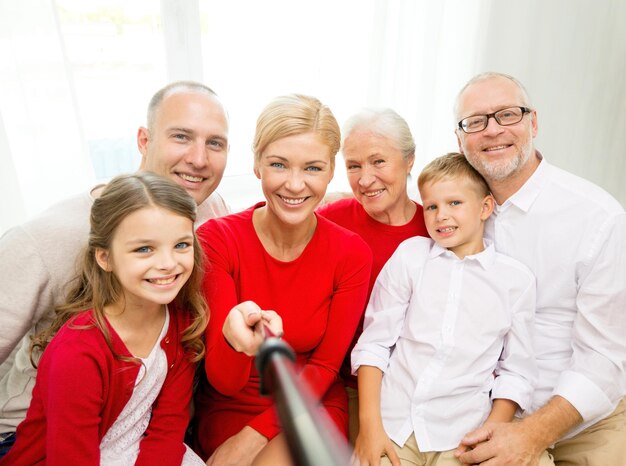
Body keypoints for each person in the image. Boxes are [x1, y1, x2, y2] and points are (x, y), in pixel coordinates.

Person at [0, 81, 230, 458]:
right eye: (181, 137)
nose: (199, 159)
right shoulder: (42, 239)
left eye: (215, 143)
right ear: (143, 140)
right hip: (45, 434)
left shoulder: (210, 209)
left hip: (143, 423)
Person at [453, 72, 626, 466]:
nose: (492, 130)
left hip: (583, 422)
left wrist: (531, 434)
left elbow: (605, 359)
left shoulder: (598, 218)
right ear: (459, 140)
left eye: (507, 115)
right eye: (475, 121)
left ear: (533, 123)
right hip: (482, 417)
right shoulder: (452, 211)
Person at [192, 94, 373, 466]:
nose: (294, 185)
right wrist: (237, 340)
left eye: (312, 168)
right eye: (279, 165)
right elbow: (224, 381)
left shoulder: (351, 253)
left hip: (313, 401)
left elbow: (324, 366)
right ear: (257, 165)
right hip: (231, 405)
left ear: (330, 170)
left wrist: (252, 437)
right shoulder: (218, 240)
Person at [351, 152, 552, 466]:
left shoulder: (515, 281)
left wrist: (491, 431)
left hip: (462, 435)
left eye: (454, 203)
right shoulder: (411, 257)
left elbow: (517, 371)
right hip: (394, 426)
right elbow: (374, 345)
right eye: (431, 206)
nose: (440, 215)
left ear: (485, 208)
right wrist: (370, 428)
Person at [0, 172, 208, 465]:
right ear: (104, 257)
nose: (168, 263)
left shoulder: (182, 320)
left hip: (138, 451)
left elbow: (168, 428)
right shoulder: (77, 352)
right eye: (144, 249)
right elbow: (71, 458)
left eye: (181, 245)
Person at [317, 108, 429, 442]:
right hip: (346, 385)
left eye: (378, 162)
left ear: (409, 161)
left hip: (417, 391)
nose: (365, 180)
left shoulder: (437, 227)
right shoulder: (330, 219)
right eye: (354, 166)